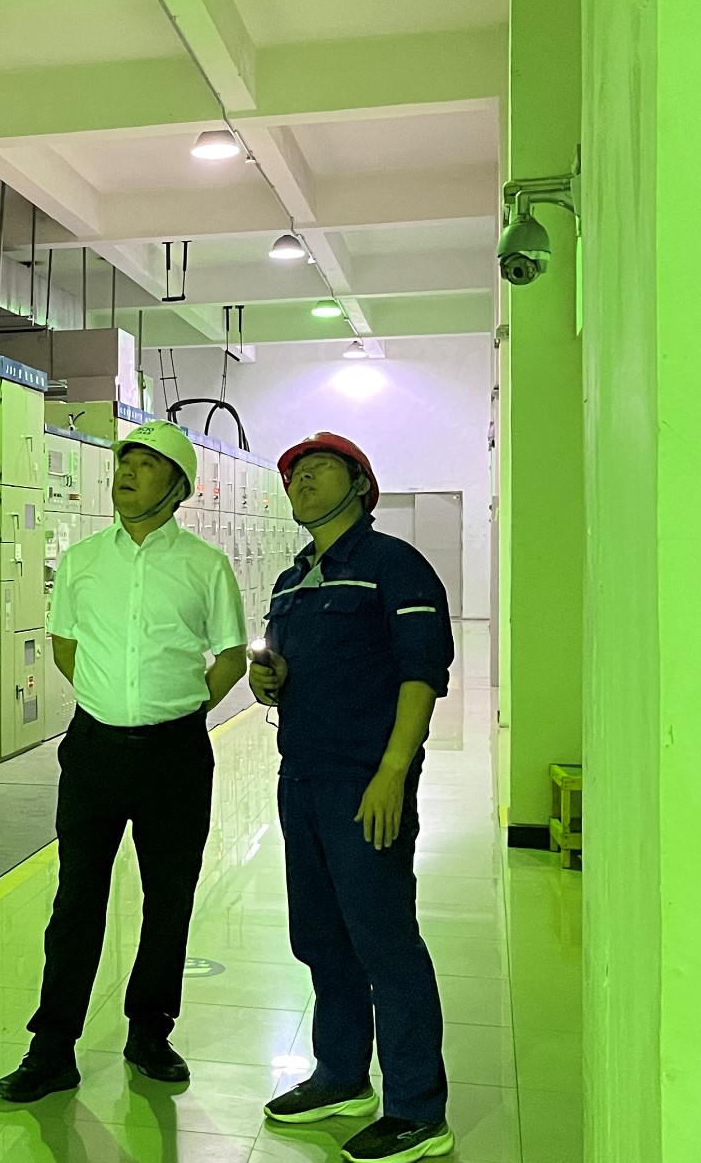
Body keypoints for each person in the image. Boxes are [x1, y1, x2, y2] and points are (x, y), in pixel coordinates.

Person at [0, 421, 248, 1103]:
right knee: (76, 900)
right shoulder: (82, 561)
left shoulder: (204, 565)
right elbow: (65, 644)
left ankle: (150, 1033)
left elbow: (230, 654)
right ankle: (52, 1048)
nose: (127, 472)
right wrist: (112, 702)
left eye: (145, 464)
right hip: (95, 751)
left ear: (178, 486)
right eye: (124, 461)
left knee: (169, 897)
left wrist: (180, 707)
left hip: (175, 756)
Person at [250, 433, 457, 1163]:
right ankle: (341, 1074)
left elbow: (422, 672)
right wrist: (268, 680)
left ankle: (417, 1110)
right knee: (320, 936)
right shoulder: (290, 580)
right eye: (293, 474)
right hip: (301, 778)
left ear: (362, 485)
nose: (301, 479)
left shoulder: (393, 565)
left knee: (384, 940)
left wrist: (394, 770)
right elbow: (282, 664)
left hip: (365, 782)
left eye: (319, 468)